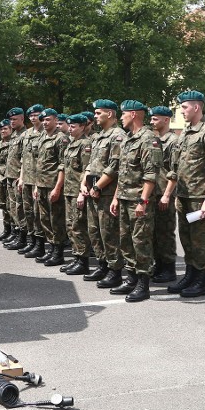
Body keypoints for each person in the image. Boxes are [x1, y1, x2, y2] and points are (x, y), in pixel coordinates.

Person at [162, 90, 205, 297]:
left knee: (200, 240)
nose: (182, 111)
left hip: (199, 198)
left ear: (196, 107)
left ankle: (201, 281)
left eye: (184, 107)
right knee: (187, 238)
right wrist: (170, 192)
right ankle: (190, 275)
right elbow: (176, 166)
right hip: (183, 196)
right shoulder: (186, 132)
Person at [109, 100, 160, 302]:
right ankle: (130, 278)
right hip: (124, 198)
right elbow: (122, 173)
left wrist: (143, 201)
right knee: (126, 241)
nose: (120, 117)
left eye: (123, 114)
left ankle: (143, 283)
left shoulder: (148, 139)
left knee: (141, 242)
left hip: (138, 200)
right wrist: (115, 198)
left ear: (133, 114)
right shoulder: (129, 139)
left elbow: (151, 174)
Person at [82, 99, 126, 287]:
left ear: (110, 114)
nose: (95, 116)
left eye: (99, 113)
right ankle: (102, 264)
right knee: (95, 231)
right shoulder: (99, 136)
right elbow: (92, 164)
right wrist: (85, 183)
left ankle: (114, 270)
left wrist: (98, 186)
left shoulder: (117, 136)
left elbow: (114, 166)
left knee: (109, 233)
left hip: (106, 192)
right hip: (94, 190)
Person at [33, 108, 69, 266]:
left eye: (48, 120)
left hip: (53, 185)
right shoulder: (42, 137)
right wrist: (36, 186)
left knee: (56, 220)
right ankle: (51, 249)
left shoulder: (61, 139)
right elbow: (38, 163)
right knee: (45, 219)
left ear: (56, 120)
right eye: (43, 120)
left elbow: (63, 165)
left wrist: (57, 188)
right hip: (41, 185)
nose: (45, 123)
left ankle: (58, 253)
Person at [149, 106, 179, 283]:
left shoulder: (173, 141)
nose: (152, 122)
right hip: (154, 193)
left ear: (166, 119)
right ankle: (158, 265)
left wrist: (167, 195)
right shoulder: (154, 139)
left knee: (166, 233)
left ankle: (169, 269)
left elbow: (174, 171)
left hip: (164, 193)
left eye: (155, 119)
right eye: (151, 119)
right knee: (154, 232)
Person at [61, 114, 93, 275]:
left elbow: (87, 170)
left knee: (79, 227)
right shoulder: (72, 144)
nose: (70, 129)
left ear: (82, 126)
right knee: (70, 226)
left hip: (78, 192)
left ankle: (83, 261)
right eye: (69, 126)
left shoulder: (86, 144)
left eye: (73, 126)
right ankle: (76, 258)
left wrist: (82, 192)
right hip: (69, 191)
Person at [17, 104, 45, 256]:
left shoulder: (45, 134)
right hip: (26, 179)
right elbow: (23, 158)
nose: (34, 118)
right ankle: (31, 241)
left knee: (38, 213)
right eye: (31, 116)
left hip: (38, 180)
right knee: (28, 211)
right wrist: (21, 178)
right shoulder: (26, 134)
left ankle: (40, 245)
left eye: (37, 115)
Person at [2, 107, 28, 249]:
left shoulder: (25, 135)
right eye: (10, 120)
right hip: (10, 176)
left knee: (20, 209)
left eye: (14, 119)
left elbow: (25, 158)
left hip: (19, 177)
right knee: (13, 208)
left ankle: (23, 238)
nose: (12, 122)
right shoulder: (14, 135)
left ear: (22, 119)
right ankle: (16, 233)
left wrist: (21, 177)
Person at [0, 119, 13, 241]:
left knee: (12, 206)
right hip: (1, 177)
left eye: (5, 128)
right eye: (1, 129)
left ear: (11, 129)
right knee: (3, 204)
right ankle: (6, 229)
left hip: (10, 177)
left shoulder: (13, 143)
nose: (3, 131)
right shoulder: (0, 143)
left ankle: (14, 231)